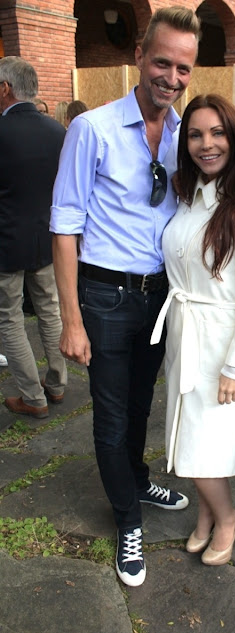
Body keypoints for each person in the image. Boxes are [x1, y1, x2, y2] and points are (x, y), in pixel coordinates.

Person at [50, 7, 201, 588]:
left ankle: (136, 480)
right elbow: (65, 224)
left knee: (141, 406)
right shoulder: (92, 129)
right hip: (105, 297)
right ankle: (128, 520)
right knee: (112, 416)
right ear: (139, 55)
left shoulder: (186, 134)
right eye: (162, 62)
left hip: (160, 297)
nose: (171, 77)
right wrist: (71, 319)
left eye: (183, 68)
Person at [150, 94, 235, 566]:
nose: (207, 144)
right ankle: (206, 516)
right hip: (185, 333)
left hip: (223, 343)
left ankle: (227, 518)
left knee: (202, 444)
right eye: (196, 135)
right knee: (190, 438)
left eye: (217, 132)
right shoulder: (190, 197)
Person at [0, 57, 67, 418]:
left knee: (9, 318)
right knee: (50, 310)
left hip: (6, 242)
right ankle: (56, 384)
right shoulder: (58, 131)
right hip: (47, 238)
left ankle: (33, 396)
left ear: (5, 88)